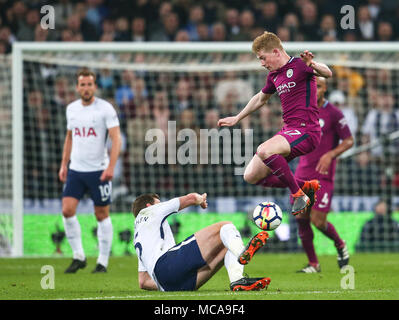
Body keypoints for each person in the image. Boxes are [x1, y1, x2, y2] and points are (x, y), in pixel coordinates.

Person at [218, 31, 332, 216]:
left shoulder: (300, 65)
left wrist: (313, 64)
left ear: (276, 52)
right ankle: (306, 187)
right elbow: (260, 99)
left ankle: (298, 195)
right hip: (288, 131)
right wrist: (238, 117)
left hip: (307, 131)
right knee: (251, 176)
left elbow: (328, 73)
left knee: (264, 150)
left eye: (263, 58)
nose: (262, 63)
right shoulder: (274, 76)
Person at [132, 192, 270, 291]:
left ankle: (238, 282)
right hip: (166, 265)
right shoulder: (150, 211)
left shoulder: (139, 233)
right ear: (149, 205)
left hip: (167, 285)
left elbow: (143, 282)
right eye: (159, 203)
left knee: (225, 244)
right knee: (225, 226)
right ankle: (242, 253)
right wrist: (201, 199)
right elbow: (191, 198)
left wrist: (167, 283)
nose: (161, 205)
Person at [59, 68, 122, 274]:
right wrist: (64, 164)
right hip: (76, 169)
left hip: (99, 171)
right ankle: (79, 256)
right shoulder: (71, 109)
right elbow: (70, 137)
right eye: (82, 84)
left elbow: (116, 138)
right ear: (77, 87)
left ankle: (102, 261)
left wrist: (111, 167)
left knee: (101, 214)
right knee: (67, 210)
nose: (86, 88)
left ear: (95, 86)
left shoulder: (105, 109)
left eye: (89, 84)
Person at [294, 77, 354, 273]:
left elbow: (349, 141)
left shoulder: (334, 114)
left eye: (318, 86)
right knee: (301, 218)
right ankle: (313, 264)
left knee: (318, 221)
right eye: (312, 85)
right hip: (302, 173)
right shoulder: (302, 110)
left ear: (325, 88)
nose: (315, 89)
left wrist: (331, 154)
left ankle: (340, 244)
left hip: (322, 176)